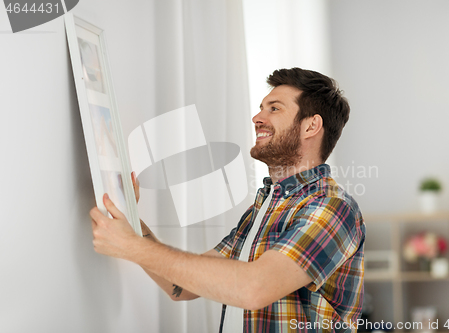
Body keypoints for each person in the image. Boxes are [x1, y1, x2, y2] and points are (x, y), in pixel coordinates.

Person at [90, 68, 365, 333]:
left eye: (274, 108)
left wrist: (132, 247)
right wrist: (130, 223)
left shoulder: (331, 206)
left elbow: (254, 289)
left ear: (311, 126)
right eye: (261, 107)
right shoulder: (265, 207)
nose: (257, 117)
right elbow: (182, 287)